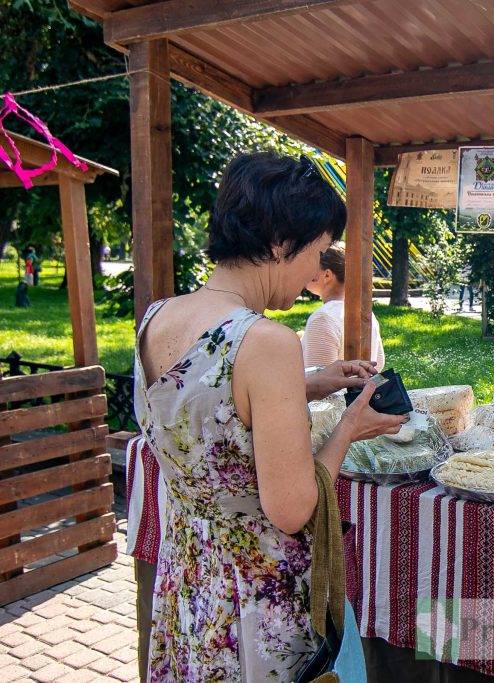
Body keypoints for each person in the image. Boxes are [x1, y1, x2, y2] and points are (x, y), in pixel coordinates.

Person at [133, 151, 406, 680]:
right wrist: (350, 428)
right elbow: (293, 508)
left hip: (190, 581)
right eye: (319, 251)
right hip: (254, 600)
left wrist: (309, 384)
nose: (315, 272)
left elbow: (203, 406)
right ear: (281, 242)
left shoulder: (156, 318)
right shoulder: (265, 341)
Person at [302, 246, 385, 369]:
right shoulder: (366, 313)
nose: (305, 272)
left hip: (339, 389)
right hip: (364, 387)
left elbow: (318, 379)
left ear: (327, 275)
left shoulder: (323, 318)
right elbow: (378, 363)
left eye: (310, 267)